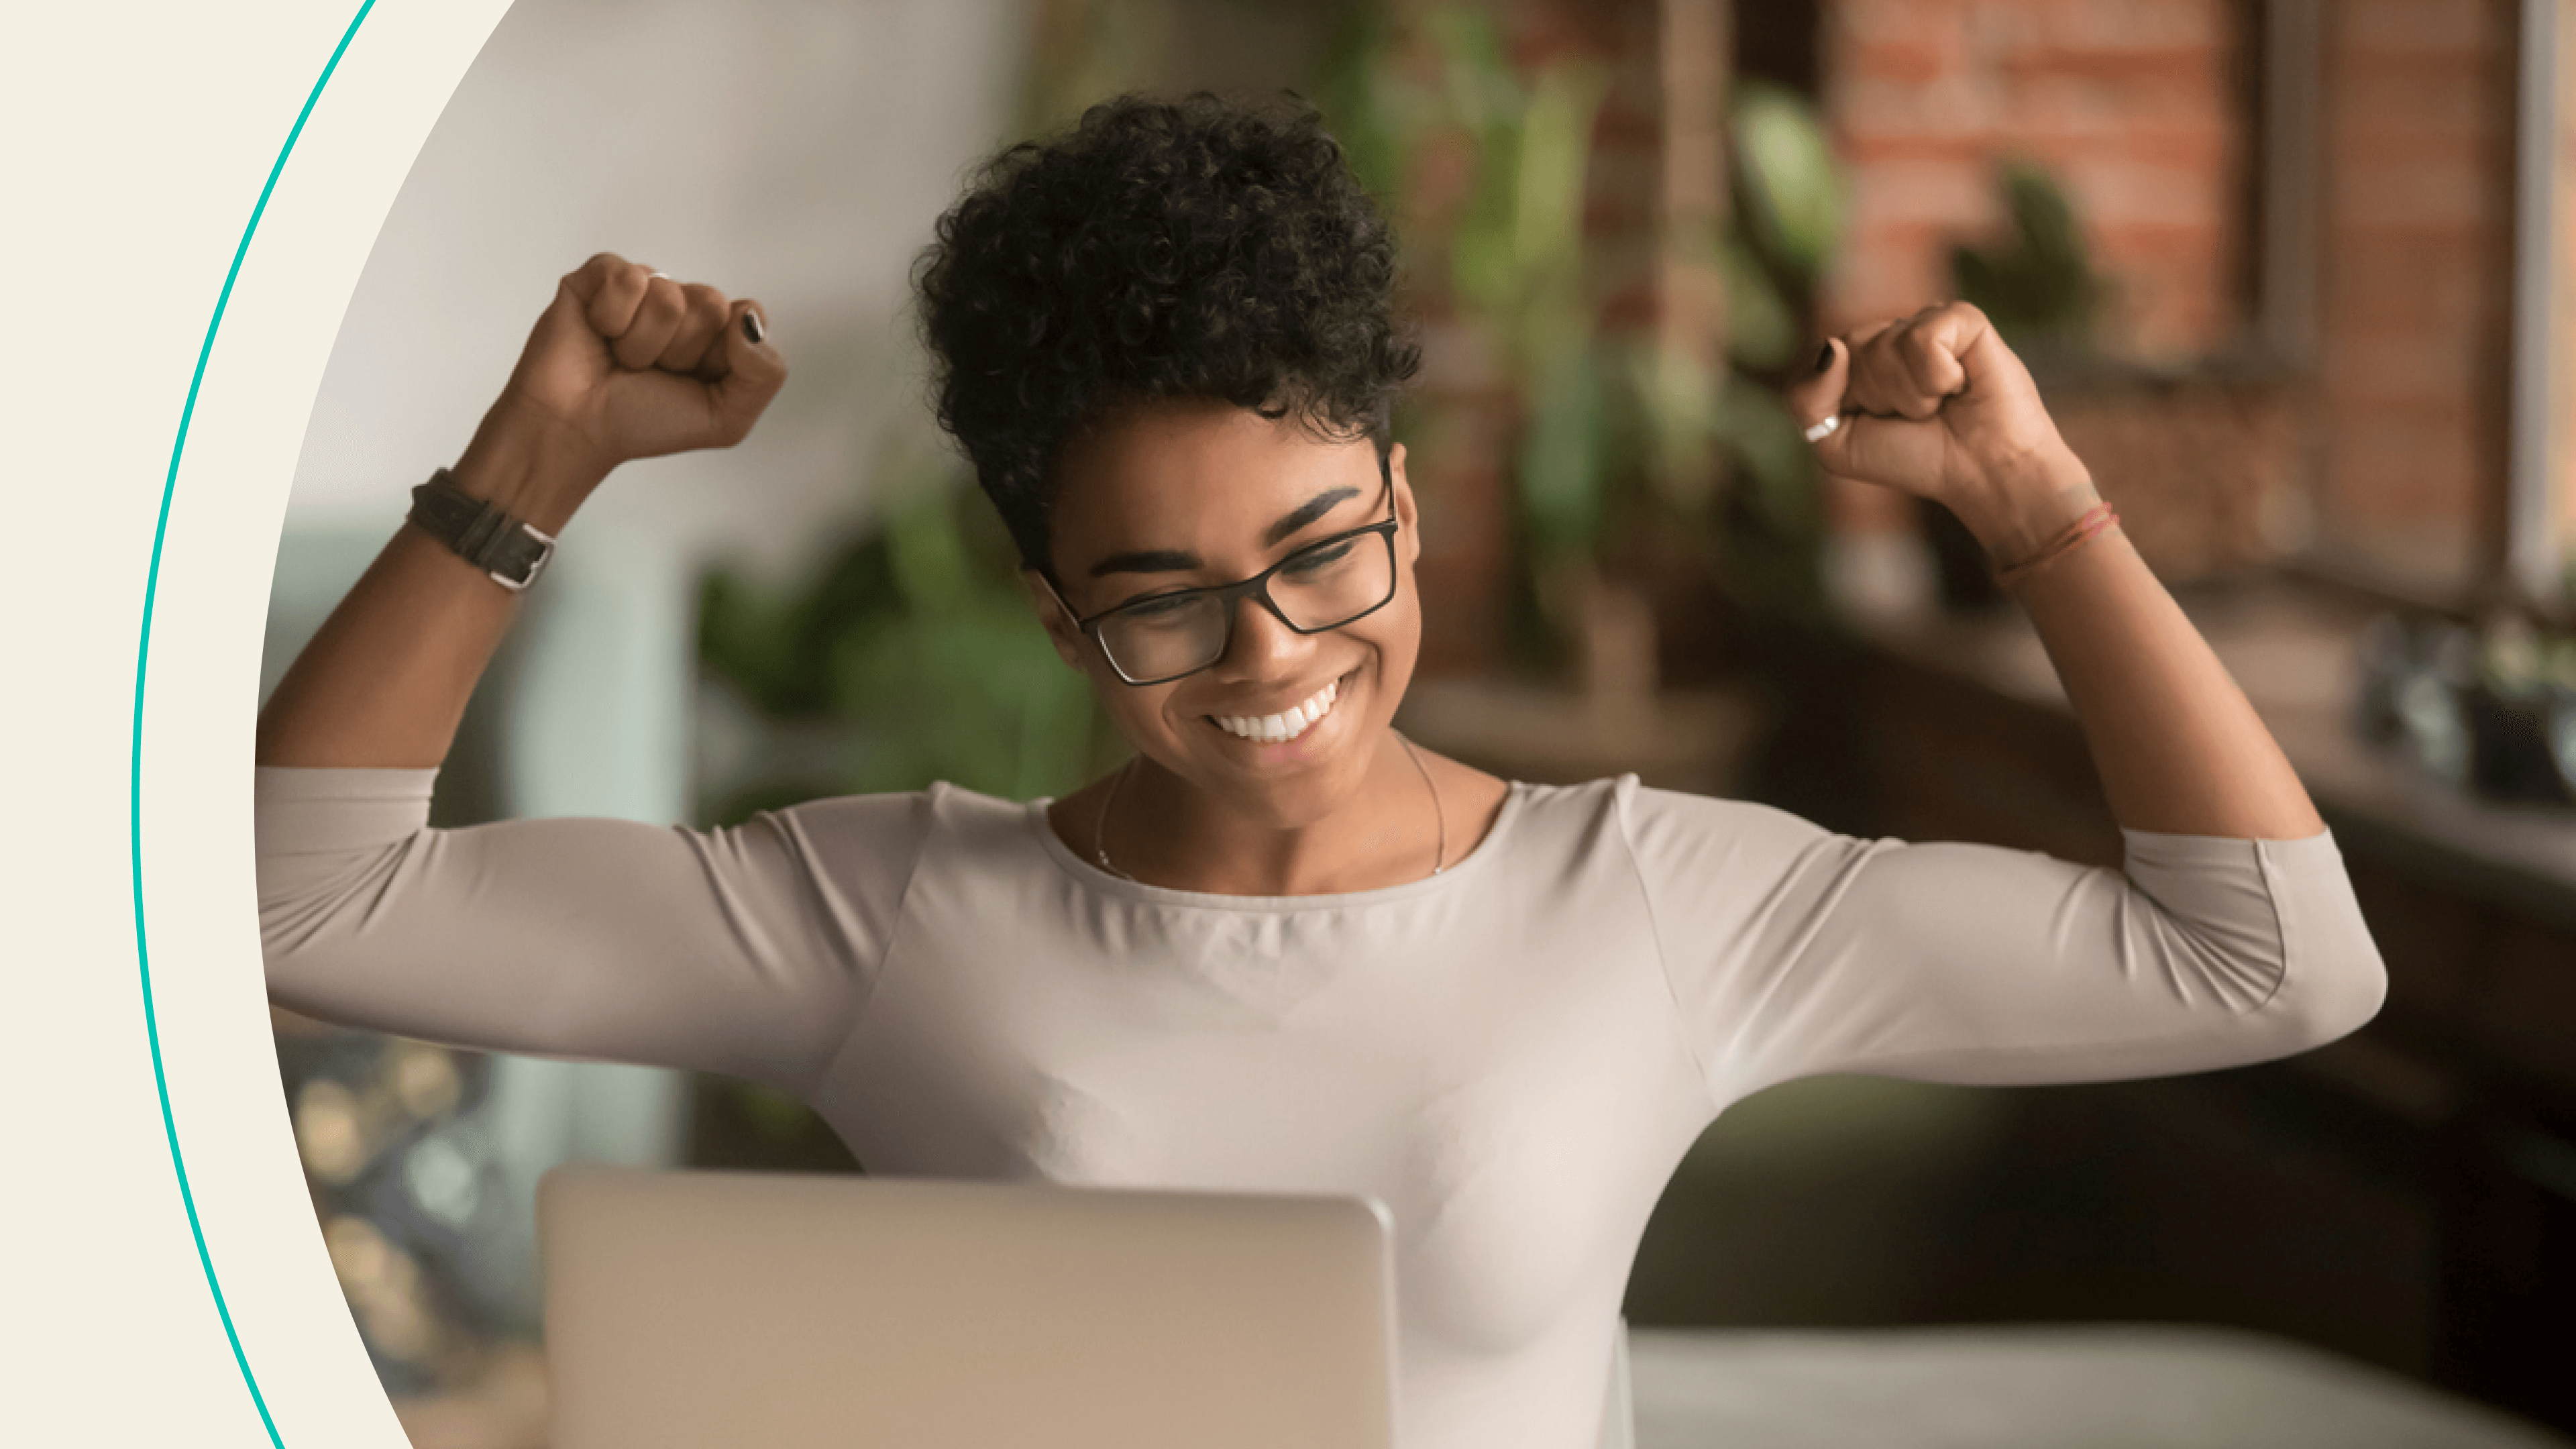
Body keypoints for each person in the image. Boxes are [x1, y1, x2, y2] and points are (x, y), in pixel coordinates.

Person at [254, 95, 2386, 1449]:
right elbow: (286, 902)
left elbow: (2274, 967)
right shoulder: (891, 912)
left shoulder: (1654, 899)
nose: (1269, 654)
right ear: (1057, 616)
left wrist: (2034, 503)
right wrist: (535, 460)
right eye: (1162, 597)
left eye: (1321, 552)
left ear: (1407, 505)